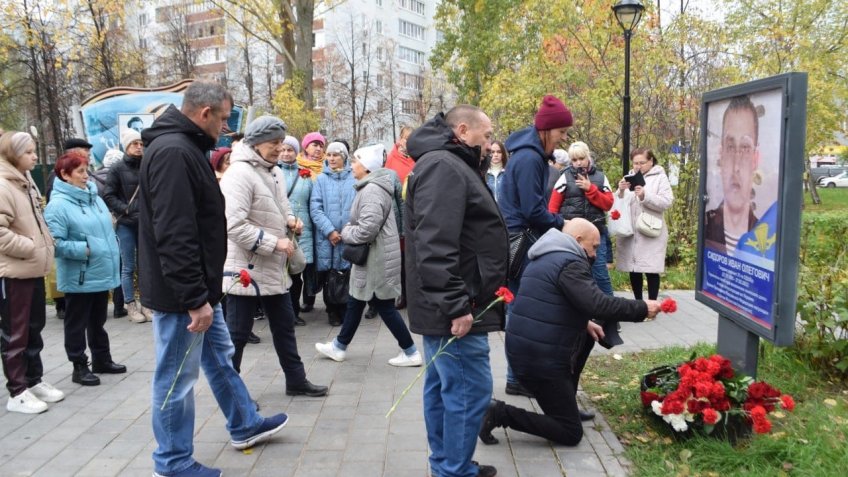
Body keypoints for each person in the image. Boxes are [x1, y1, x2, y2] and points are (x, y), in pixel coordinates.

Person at [139, 81, 288, 477]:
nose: (226, 128)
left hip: (201, 290)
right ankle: (172, 462)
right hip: (182, 297)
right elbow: (175, 232)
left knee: (220, 360)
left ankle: (243, 423)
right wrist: (193, 298)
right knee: (175, 380)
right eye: (223, 118)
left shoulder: (185, 148)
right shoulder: (174, 152)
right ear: (204, 113)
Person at [478, 219, 661, 447]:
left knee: (589, 334)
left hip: (525, 352)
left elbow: (550, 302)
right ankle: (500, 413)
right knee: (570, 432)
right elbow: (598, 304)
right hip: (539, 361)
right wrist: (642, 308)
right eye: (593, 247)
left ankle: (567, 404)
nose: (595, 254)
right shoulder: (570, 263)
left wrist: (584, 323)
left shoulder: (545, 255)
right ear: (577, 241)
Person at [405, 105, 506, 477]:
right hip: (457, 306)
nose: (490, 142)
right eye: (487, 133)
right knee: (467, 391)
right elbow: (434, 243)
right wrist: (456, 305)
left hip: (453, 301)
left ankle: (450, 465)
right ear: (463, 130)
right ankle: (452, 470)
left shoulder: (449, 164)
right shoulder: (444, 167)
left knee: (447, 387)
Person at [219, 116, 328, 397]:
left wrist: (292, 220)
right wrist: (274, 243)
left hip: (273, 267)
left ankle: (296, 380)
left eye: (282, 142)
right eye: (275, 143)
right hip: (244, 267)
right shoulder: (238, 174)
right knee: (238, 335)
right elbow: (233, 226)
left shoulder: (274, 171)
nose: (280, 149)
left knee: (284, 328)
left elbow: (282, 206)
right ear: (255, 142)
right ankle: (233, 395)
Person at [315, 145, 422, 367]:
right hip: (373, 258)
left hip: (376, 259)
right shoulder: (371, 186)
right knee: (356, 301)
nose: (351, 165)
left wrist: (346, 231)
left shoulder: (372, 190)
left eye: (355, 161)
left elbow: (367, 230)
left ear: (366, 167)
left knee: (383, 306)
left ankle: (411, 352)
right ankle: (339, 346)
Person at [498, 94, 572, 398]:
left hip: (519, 240)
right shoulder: (530, 158)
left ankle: (520, 377)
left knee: (521, 309)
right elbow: (532, 211)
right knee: (522, 311)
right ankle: (518, 377)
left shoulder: (530, 155)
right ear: (546, 130)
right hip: (521, 244)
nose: (564, 139)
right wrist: (563, 224)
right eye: (561, 133)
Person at [44, 151, 126, 387]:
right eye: (80, 171)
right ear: (65, 175)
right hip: (79, 275)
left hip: (99, 271)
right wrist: (84, 249)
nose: (86, 175)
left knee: (98, 320)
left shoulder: (95, 198)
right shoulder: (57, 206)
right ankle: (79, 366)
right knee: (77, 323)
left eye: (86, 169)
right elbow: (55, 243)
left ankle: (102, 359)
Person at [0, 131, 65, 414]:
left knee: (34, 327)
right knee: (15, 332)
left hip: (33, 268)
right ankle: (16, 391)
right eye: (28, 152)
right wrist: (30, 247)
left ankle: (33, 380)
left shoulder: (26, 183)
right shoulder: (3, 185)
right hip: (14, 271)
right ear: (13, 155)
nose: (35, 156)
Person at [548, 141, 614, 295]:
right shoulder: (564, 177)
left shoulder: (601, 177)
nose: (578, 163)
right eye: (574, 160)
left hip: (596, 233)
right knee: (573, 274)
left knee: (600, 275)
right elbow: (552, 207)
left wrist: (590, 189)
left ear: (588, 157)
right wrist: (559, 228)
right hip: (572, 236)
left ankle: (610, 315)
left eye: (581, 158)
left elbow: (608, 204)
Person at [103, 129, 153, 324]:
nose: (139, 147)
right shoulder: (116, 168)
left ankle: (147, 304)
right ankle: (130, 304)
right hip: (126, 223)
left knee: (145, 265)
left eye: (141, 143)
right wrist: (125, 209)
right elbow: (108, 195)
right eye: (134, 144)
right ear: (126, 146)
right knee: (128, 265)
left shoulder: (148, 166)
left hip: (145, 223)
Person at [615, 148, 674, 300]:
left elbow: (667, 202)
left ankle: (652, 303)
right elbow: (619, 203)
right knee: (634, 269)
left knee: (651, 269)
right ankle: (638, 304)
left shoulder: (660, 177)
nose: (638, 166)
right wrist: (620, 191)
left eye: (642, 162)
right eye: (635, 163)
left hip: (650, 229)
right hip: (631, 230)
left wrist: (645, 195)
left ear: (651, 161)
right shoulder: (629, 177)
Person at [705, 95, 760, 255]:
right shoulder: (706, 226)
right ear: (721, 155)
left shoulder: (766, 237)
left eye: (744, 147)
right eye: (730, 147)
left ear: (755, 159)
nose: (736, 165)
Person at [46, 138, 94, 320]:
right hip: (71, 240)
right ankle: (61, 305)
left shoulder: (87, 180)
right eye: (84, 155)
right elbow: (56, 218)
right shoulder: (57, 178)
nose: (87, 159)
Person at [310, 142, 356, 326]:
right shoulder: (321, 179)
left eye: (335, 155)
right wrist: (330, 231)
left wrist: (347, 230)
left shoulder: (354, 179)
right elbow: (316, 208)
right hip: (327, 238)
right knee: (330, 275)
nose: (331, 159)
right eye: (328, 155)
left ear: (344, 157)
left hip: (348, 236)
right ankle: (331, 310)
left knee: (346, 272)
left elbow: (358, 207)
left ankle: (346, 308)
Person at [278, 135, 314, 326]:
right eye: (282, 149)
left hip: (302, 231)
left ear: (297, 152)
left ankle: (294, 311)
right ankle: (280, 312)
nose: (285, 153)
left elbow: (312, 202)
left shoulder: (305, 175)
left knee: (296, 272)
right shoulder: (273, 172)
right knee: (279, 271)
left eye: (290, 150)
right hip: (279, 230)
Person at [91, 149, 127, 319]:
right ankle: (119, 306)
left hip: (99, 228)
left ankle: (100, 303)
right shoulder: (121, 178)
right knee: (121, 263)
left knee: (104, 264)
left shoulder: (92, 180)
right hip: (120, 223)